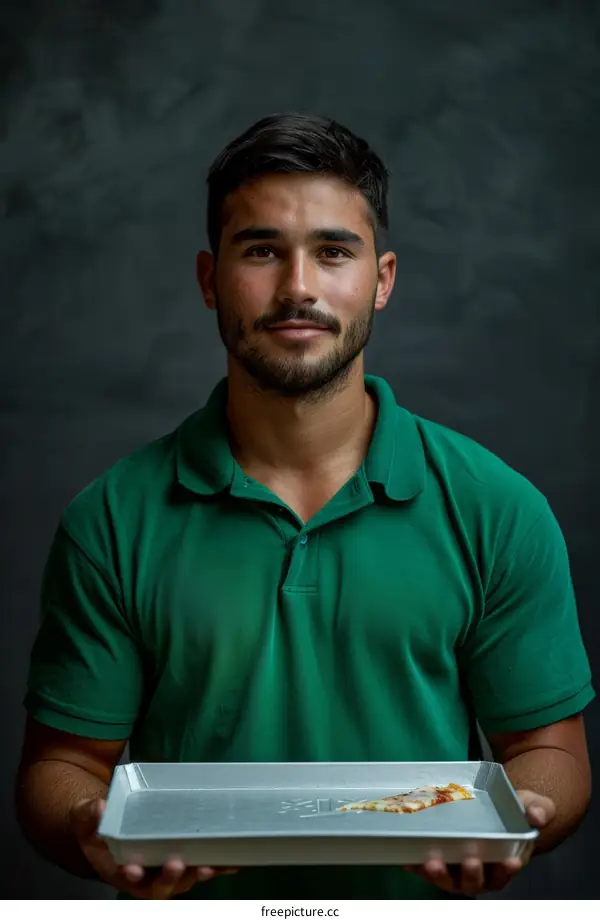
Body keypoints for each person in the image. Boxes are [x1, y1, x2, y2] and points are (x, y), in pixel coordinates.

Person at [15, 113, 593, 901]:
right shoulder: (111, 520)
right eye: (261, 250)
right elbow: (63, 767)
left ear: (381, 280)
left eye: (332, 251)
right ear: (208, 279)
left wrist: (524, 814)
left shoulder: (496, 508)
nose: (297, 288)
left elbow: (550, 751)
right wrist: (89, 825)